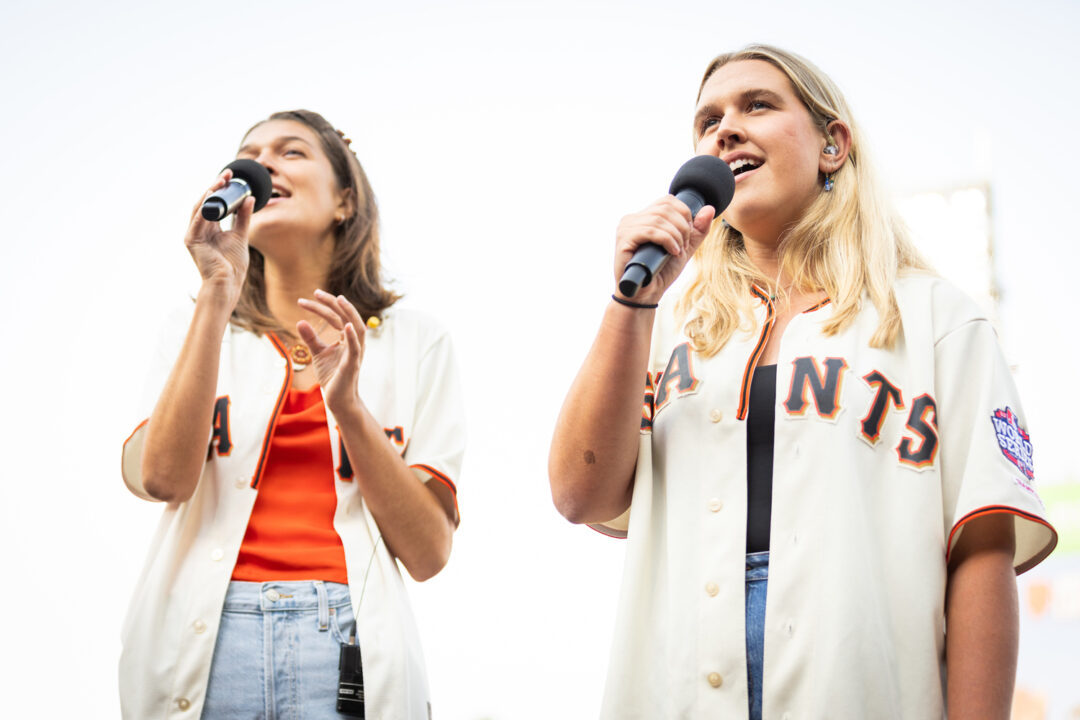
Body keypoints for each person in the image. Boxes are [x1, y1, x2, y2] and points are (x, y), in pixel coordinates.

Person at [548, 45, 1056, 720]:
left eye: (757, 105)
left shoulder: (936, 317)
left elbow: (982, 553)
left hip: (860, 681)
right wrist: (630, 302)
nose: (724, 129)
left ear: (833, 145)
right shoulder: (670, 326)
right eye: (708, 120)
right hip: (683, 681)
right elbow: (580, 494)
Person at [120, 110, 464, 719]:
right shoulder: (194, 325)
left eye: (292, 151)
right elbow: (163, 479)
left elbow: (428, 552)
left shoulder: (416, 341)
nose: (264, 162)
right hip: (206, 638)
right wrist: (215, 296)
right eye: (251, 152)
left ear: (344, 200)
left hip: (344, 637)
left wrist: (349, 410)